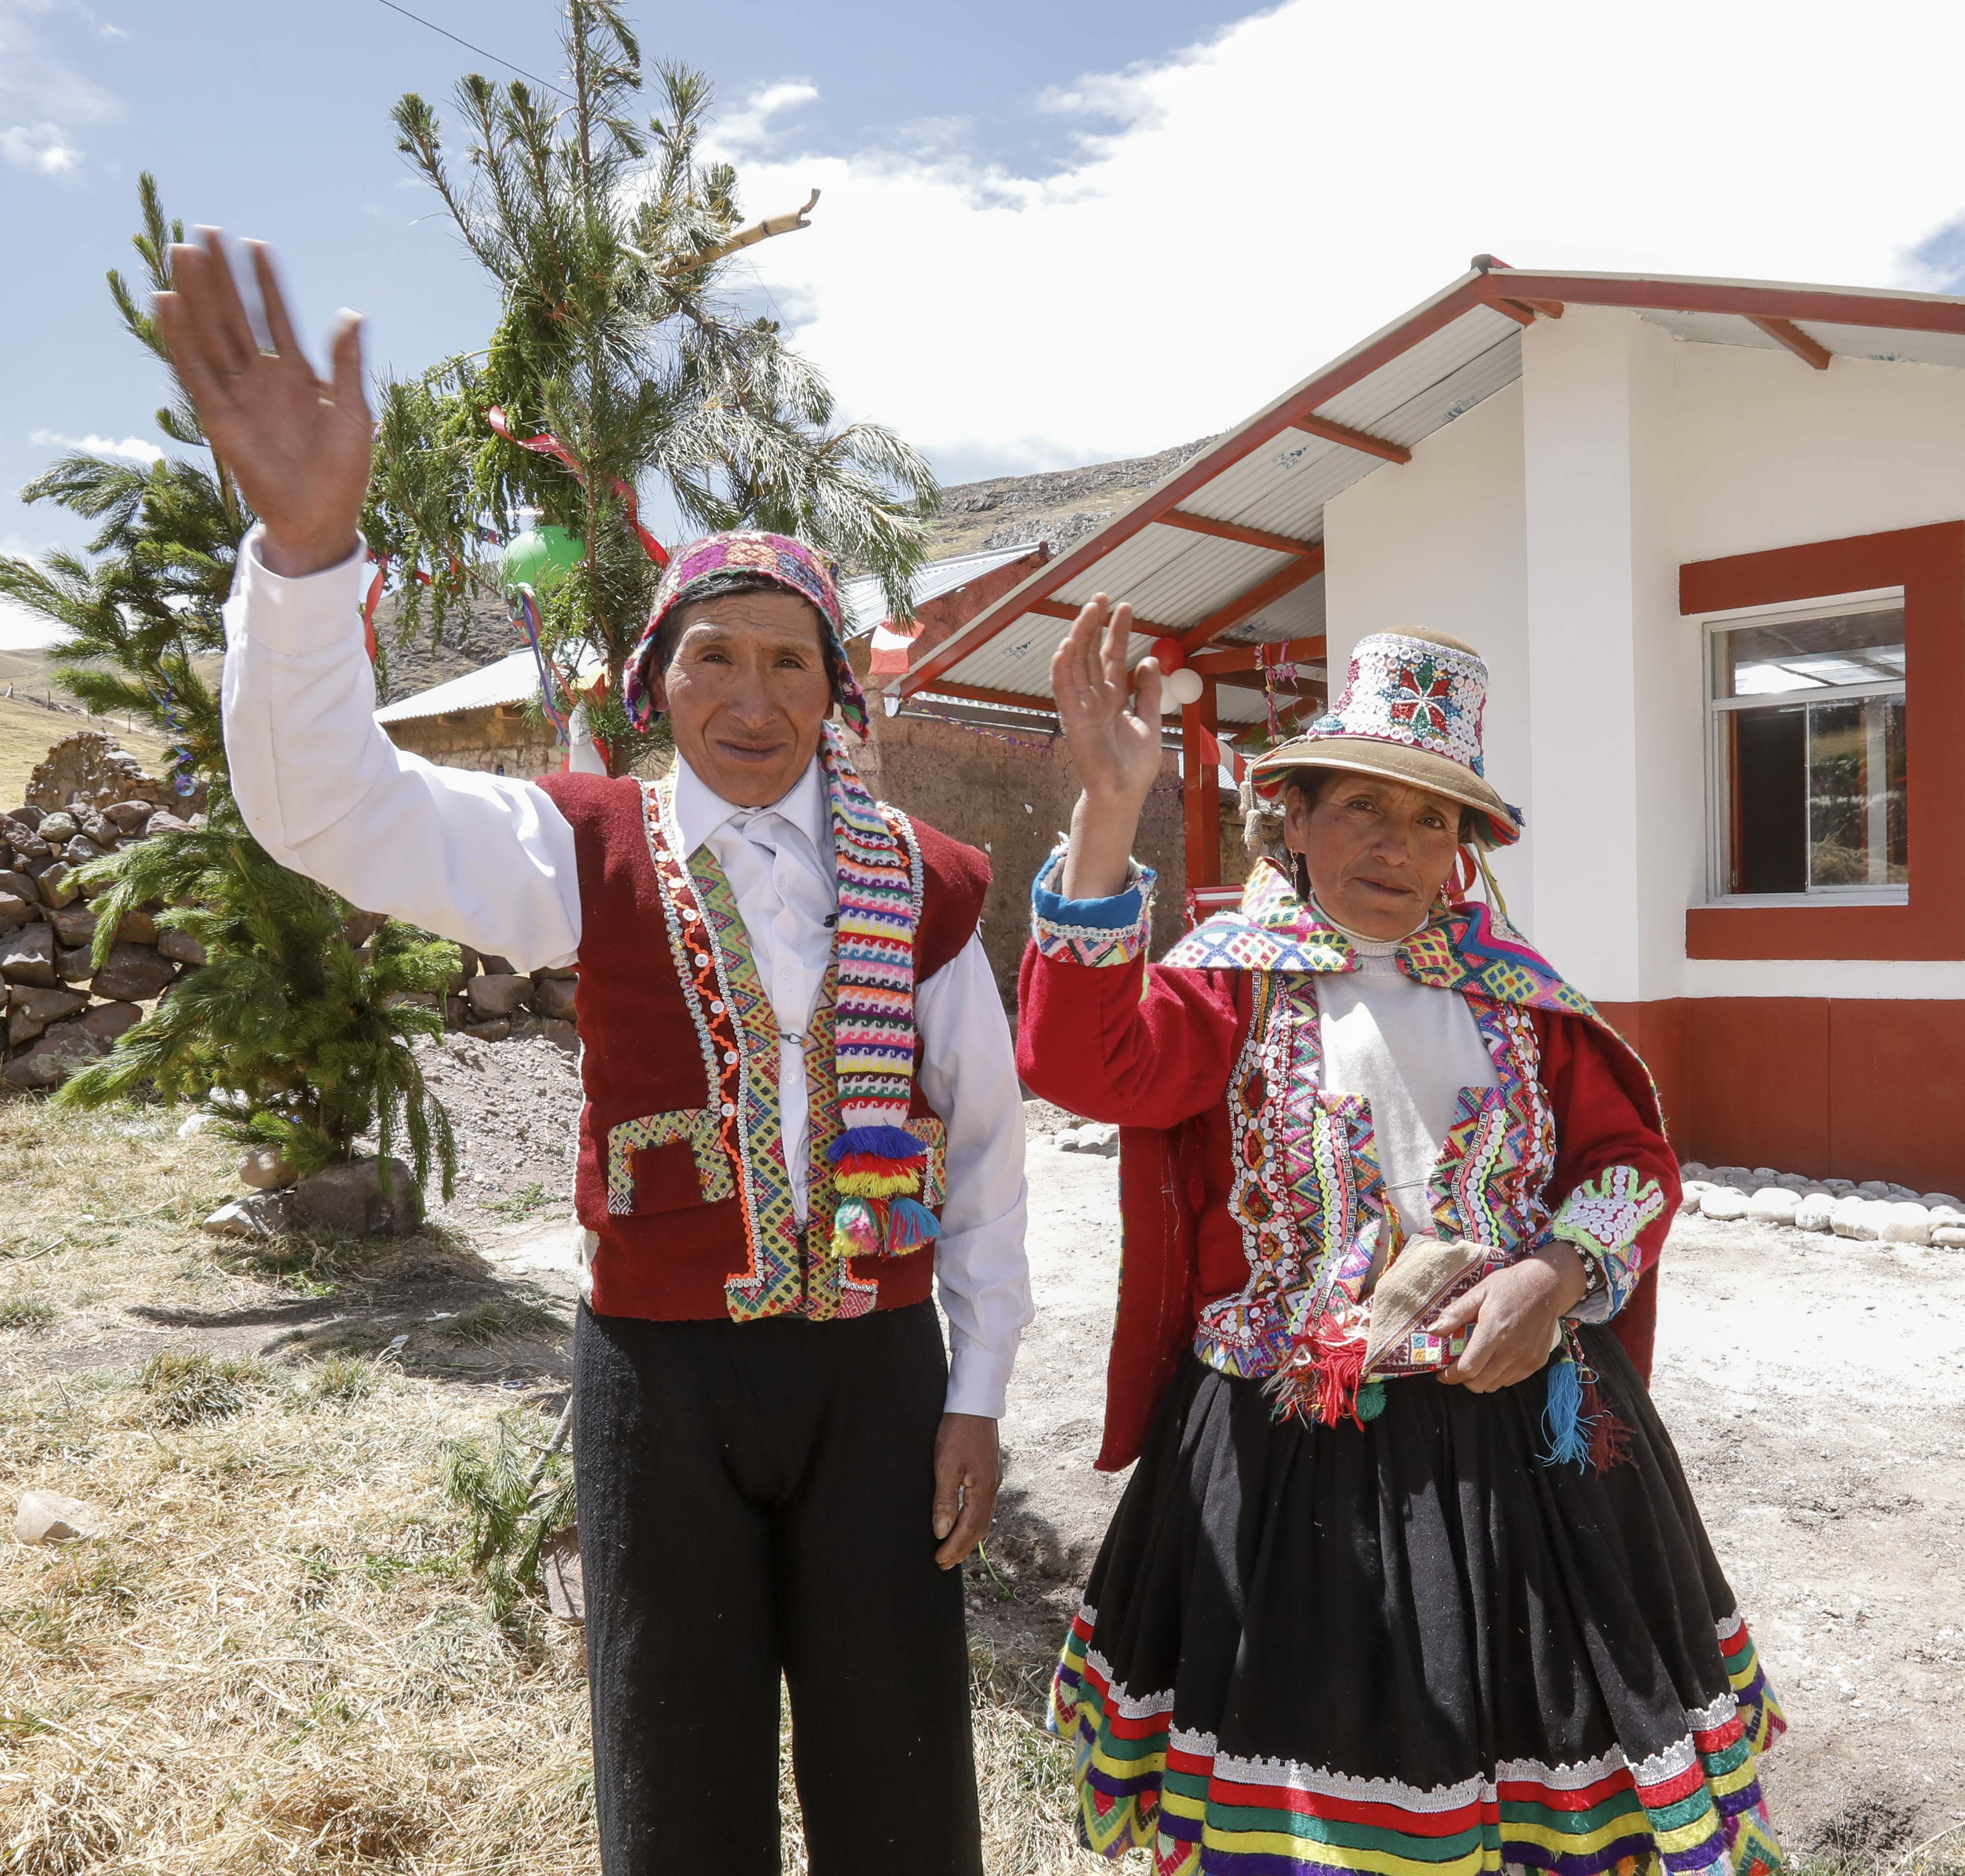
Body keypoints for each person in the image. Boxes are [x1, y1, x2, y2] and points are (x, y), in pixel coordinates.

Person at [163, 229, 1029, 1876]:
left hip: (880, 1370)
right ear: (658, 679)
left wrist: (977, 1391)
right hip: (662, 1374)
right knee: (674, 1765)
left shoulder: (924, 880)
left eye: (789, 659)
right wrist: (306, 554)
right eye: (716, 653)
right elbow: (331, 808)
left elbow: (981, 1151)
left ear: (834, 692)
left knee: (903, 1771)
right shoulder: (581, 845)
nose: (752, 693)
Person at [1021, 607, 1786, 1875]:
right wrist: (1109, 812)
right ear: (1297, 820)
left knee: (1532, 1757)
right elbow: (1080, 1057)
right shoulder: (1235, 980)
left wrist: (1554, 1273)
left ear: (1467, 848)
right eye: (1364, 805)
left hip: (1522, 1452)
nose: (1397, 843)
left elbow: (1633, 1168)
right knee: (1310, 1787)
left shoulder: (1518, 995)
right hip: (1288, 1462)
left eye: (1433, 817)